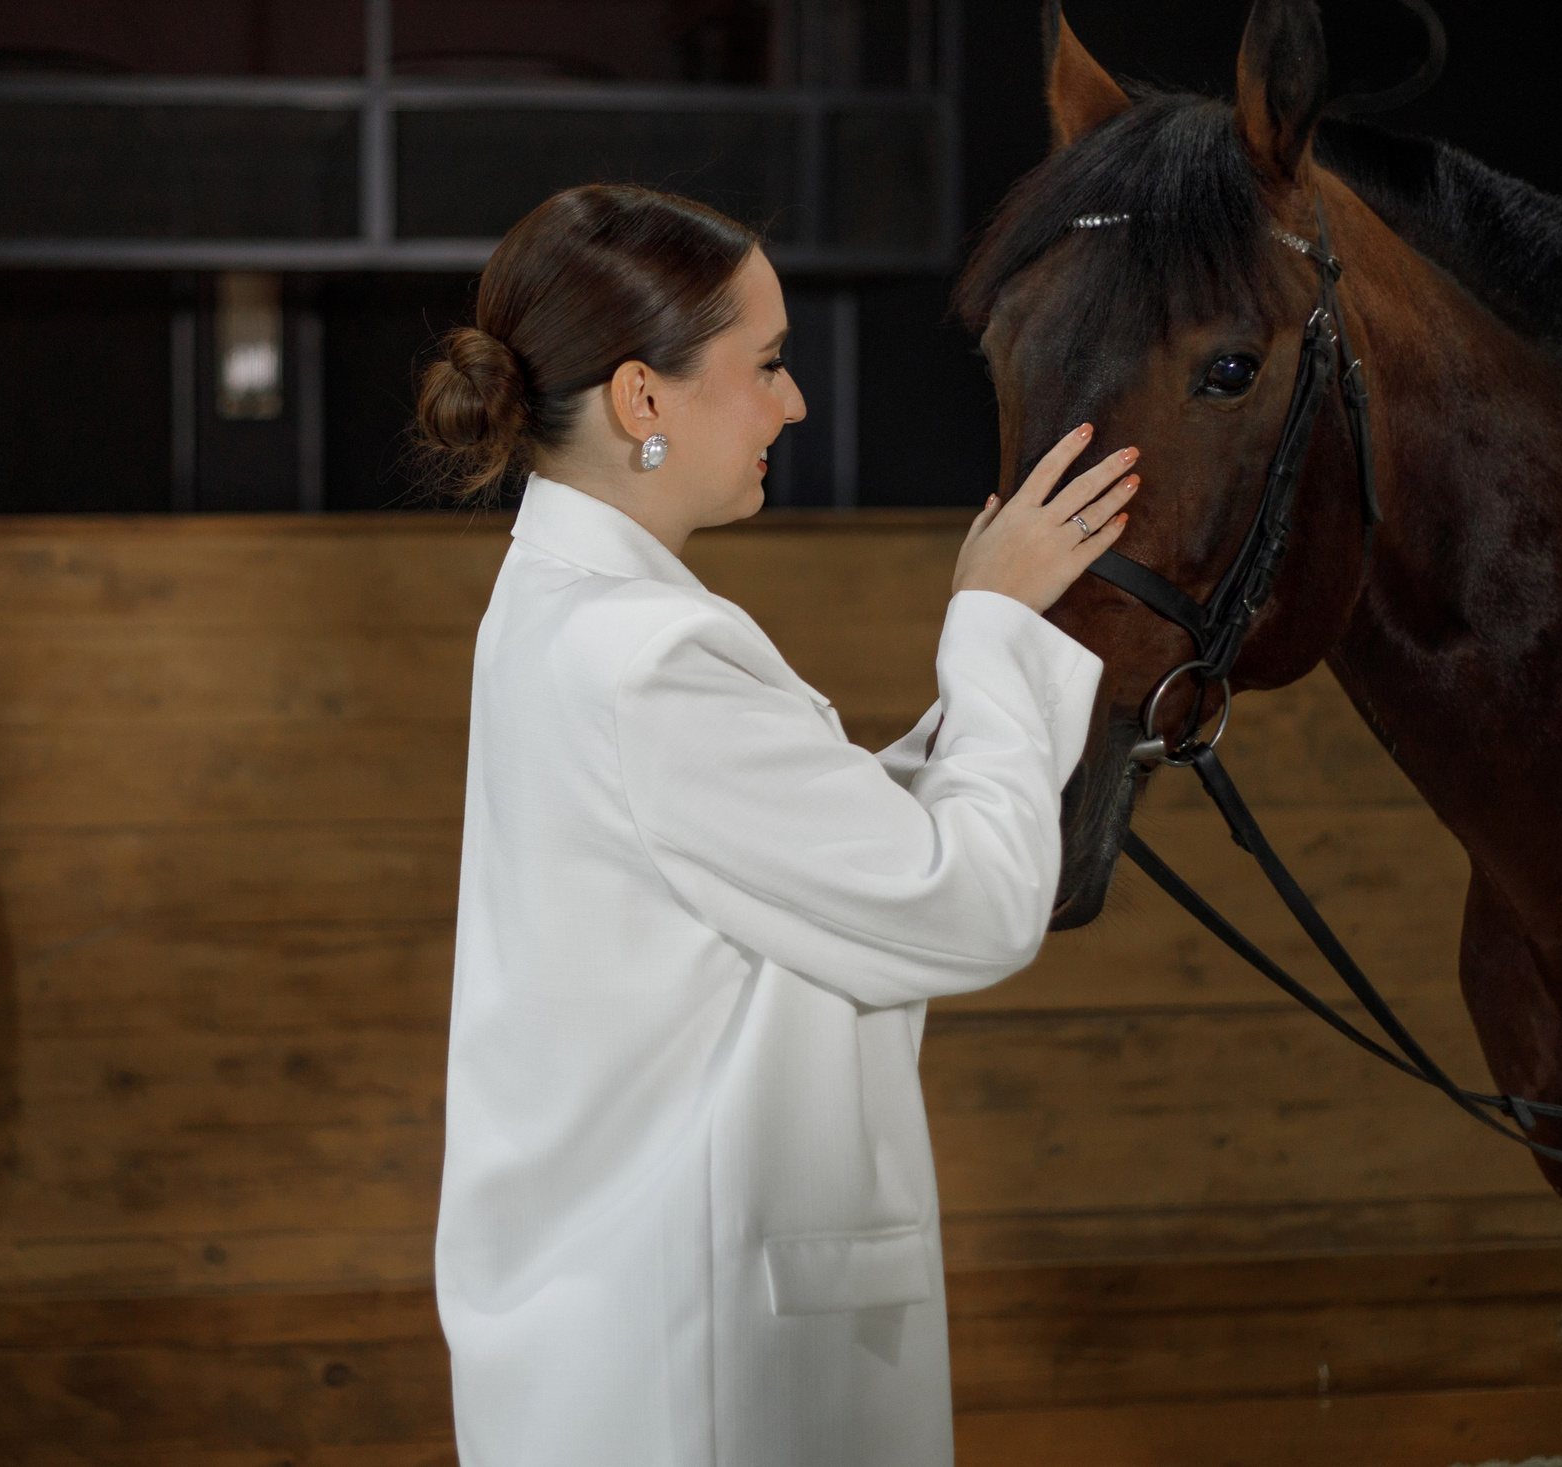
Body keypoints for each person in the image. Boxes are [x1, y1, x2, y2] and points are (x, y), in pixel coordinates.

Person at [418, 184, 1139, 1465]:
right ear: (644, 400)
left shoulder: (564, 608)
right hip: (693, 1364)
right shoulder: (644, 652)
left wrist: (988, 686)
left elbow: (815, 852)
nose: (793, 403)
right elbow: (960, 907)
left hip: (632, 1327)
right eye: (766, 365)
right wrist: (994, 630)